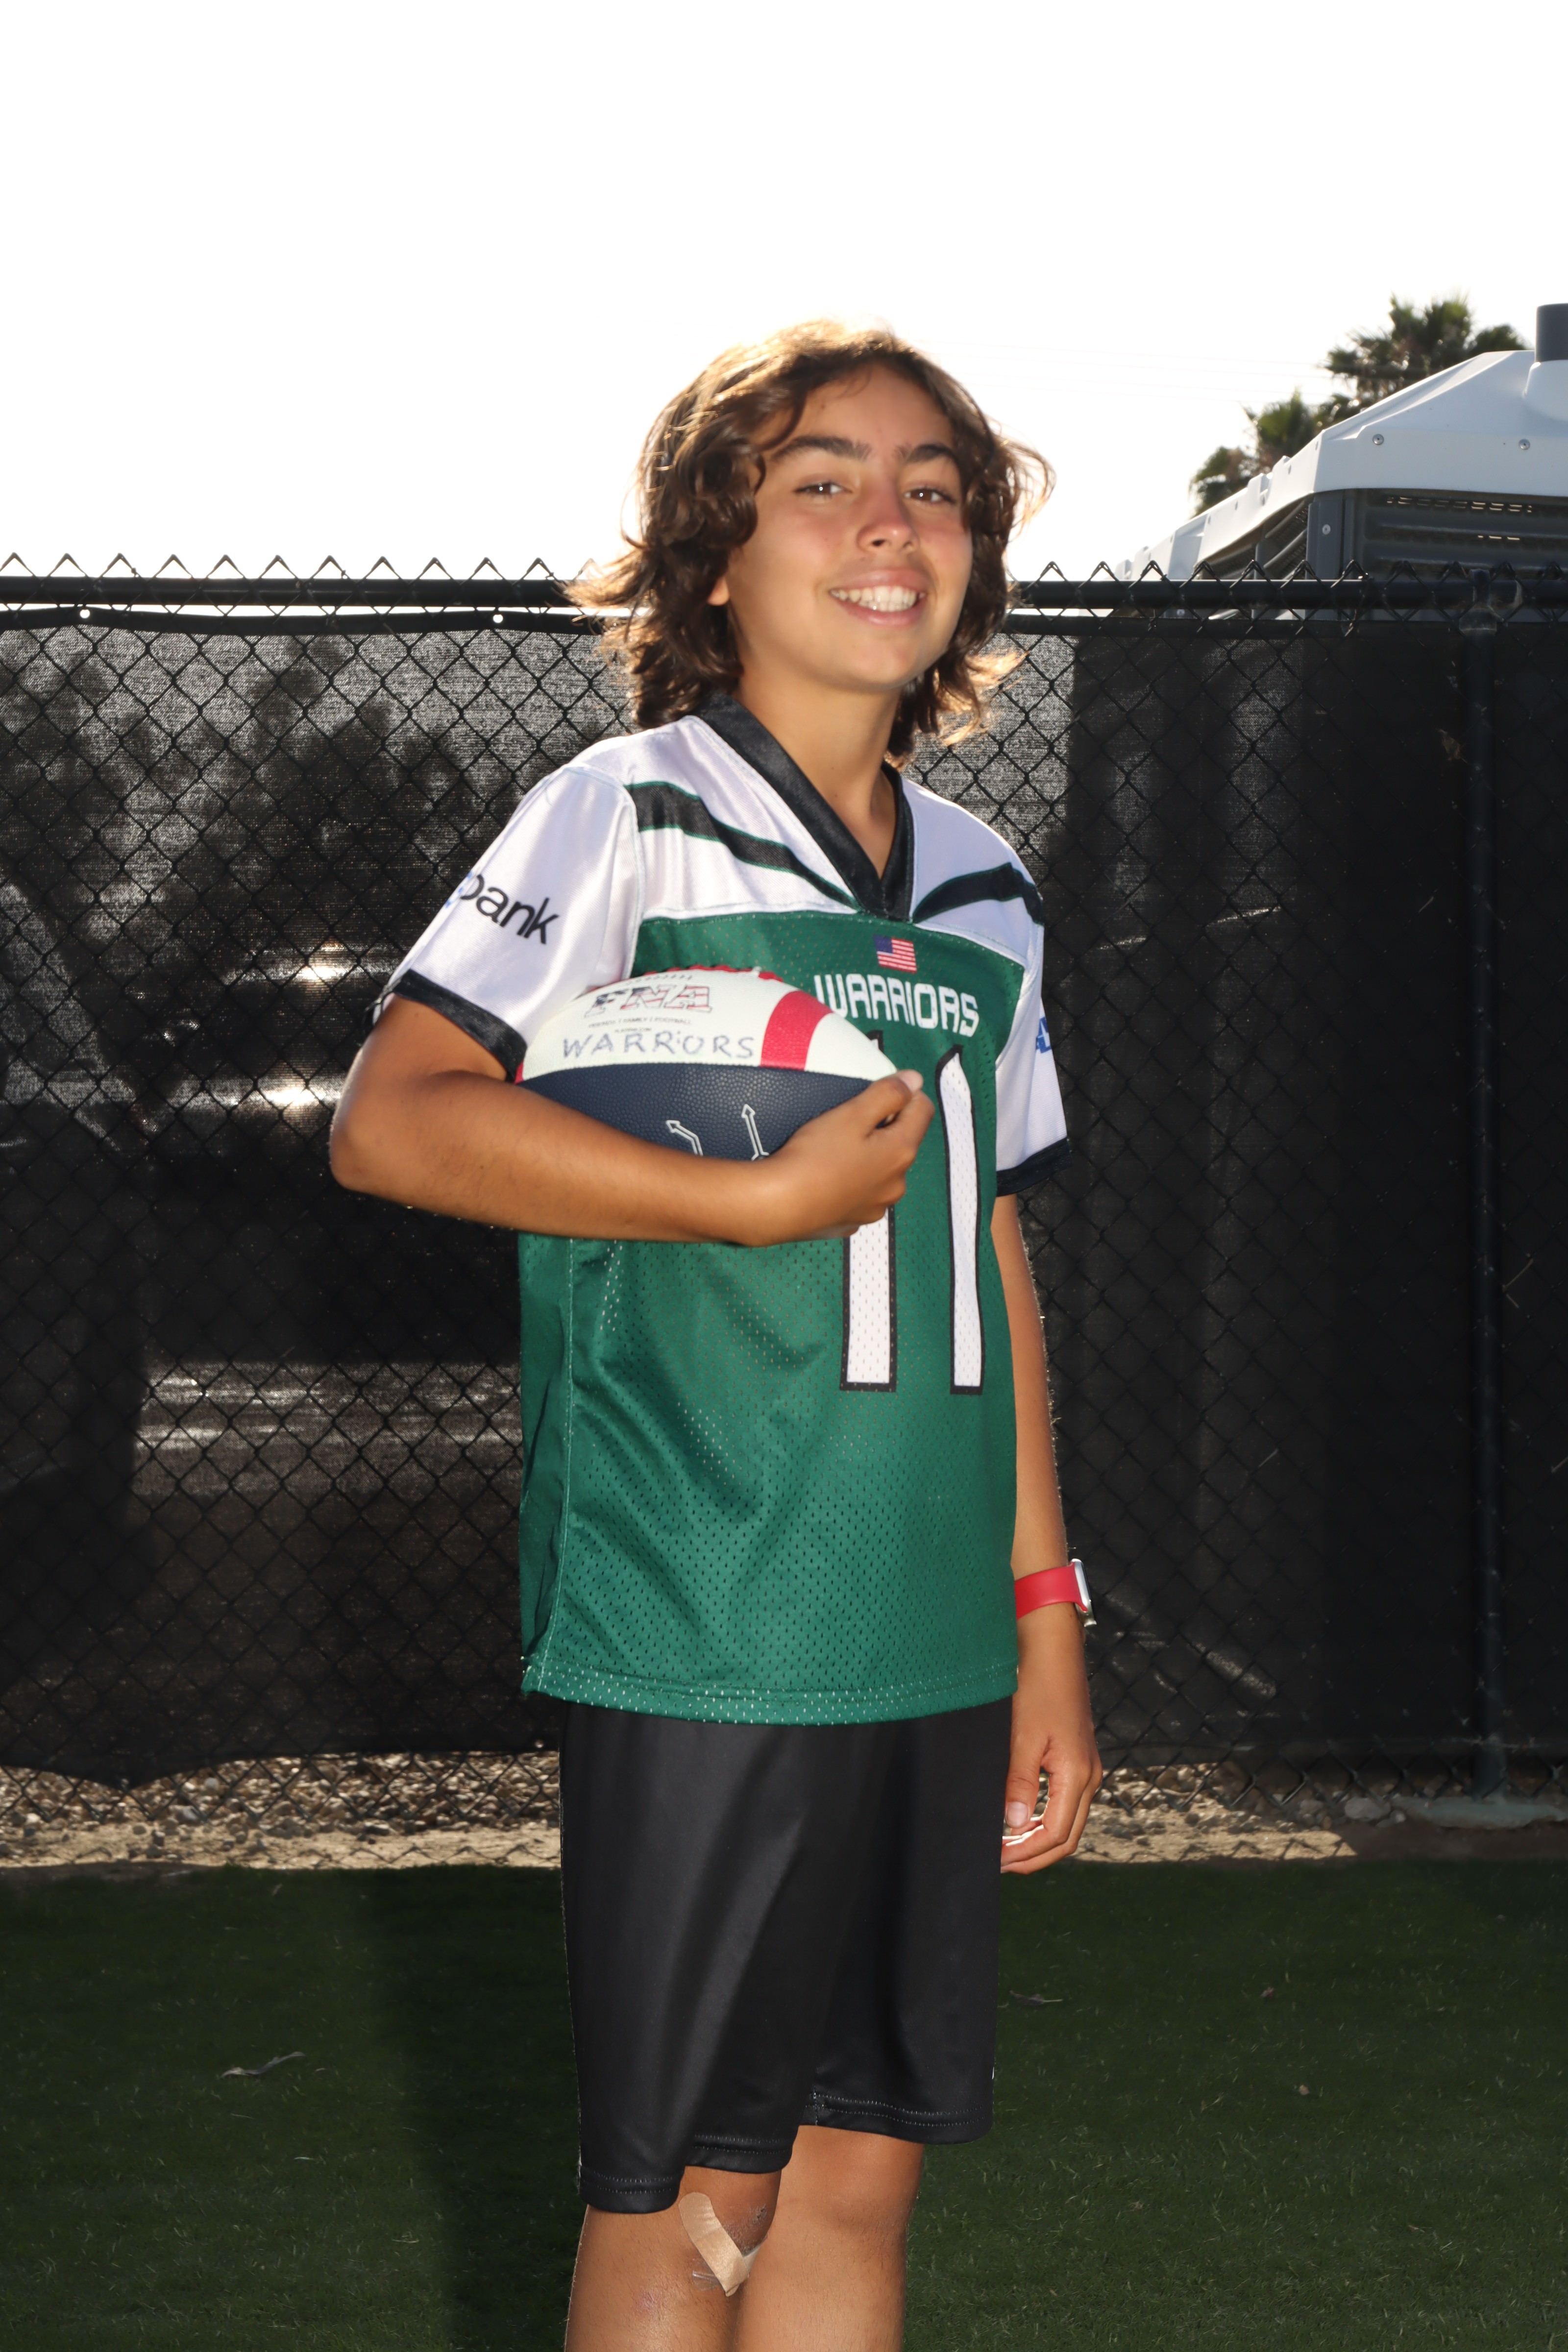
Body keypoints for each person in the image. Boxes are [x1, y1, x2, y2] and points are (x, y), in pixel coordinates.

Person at [331, 320, 1101, 2352]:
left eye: (933, 487)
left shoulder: (986, 885)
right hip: (711, 1603)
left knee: (855, 2176)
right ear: (715, 555)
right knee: (688, 2200)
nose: (887, 522)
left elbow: (985, 1247)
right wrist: (741, 1201)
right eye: (820, 481)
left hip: (929, 1615)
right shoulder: (624, 814)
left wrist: (1044, 1610)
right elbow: (391, 1120)